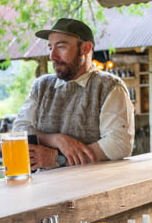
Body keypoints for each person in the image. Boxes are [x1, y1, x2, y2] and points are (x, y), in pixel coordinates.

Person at [13, 18, 134, 170]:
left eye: (61, 47)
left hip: (91, 188)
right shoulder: (41, 86)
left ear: (85, 48)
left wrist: (58, 159)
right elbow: (19, 131)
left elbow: (118, 144)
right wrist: (57, 140)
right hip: (43, 188)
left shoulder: (109, 87)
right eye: (50, 48)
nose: (52, 56)